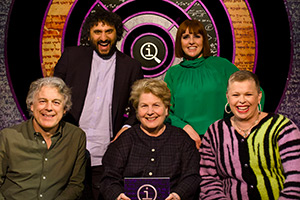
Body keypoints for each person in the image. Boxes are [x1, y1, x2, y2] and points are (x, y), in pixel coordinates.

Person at [53, 6, 143, 199]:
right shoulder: (71, 56)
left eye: (109, 31)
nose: (103, 37)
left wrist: (128, 126)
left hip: (107, 150)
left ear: (116, 34)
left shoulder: (131, 66)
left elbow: (140, 105)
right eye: (98, 32)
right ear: (89, 35)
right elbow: (53, 92)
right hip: (68, 145)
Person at [199, 70, 300, 199]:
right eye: (235, 95)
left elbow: (296, 178)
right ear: (227, 97)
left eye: (248, 94)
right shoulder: (215, 132)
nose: (242, 101)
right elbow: (208, 181)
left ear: (259, 96)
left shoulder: (282, 127)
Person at [99, 79, 201, 200]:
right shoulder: (124, 141)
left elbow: (192, 176)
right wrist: (118, 195)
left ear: (167, 109)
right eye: (144, 106)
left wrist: (177, 195)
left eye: (156, 105)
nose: (150, 112)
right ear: (137, 111)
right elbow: (109, 178)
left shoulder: (182, 140)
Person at [0, 77, 86, 199]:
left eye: (56, 102)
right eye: (42, 101)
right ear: (31, 105)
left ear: (65, 109)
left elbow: (76, 185)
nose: (49, 108)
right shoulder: (8, 137)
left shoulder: (76, 137)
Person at [164, 19, 240, 149]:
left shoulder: (222, 66)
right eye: (186, 37)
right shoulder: (173, 74)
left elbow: (253, 91)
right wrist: (186, 128)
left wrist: (245, 124)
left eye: (197, 36)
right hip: (186, 142)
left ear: (203, 40)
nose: (191, 41)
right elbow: (164, 111)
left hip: (223, 142)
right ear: (179, 42)